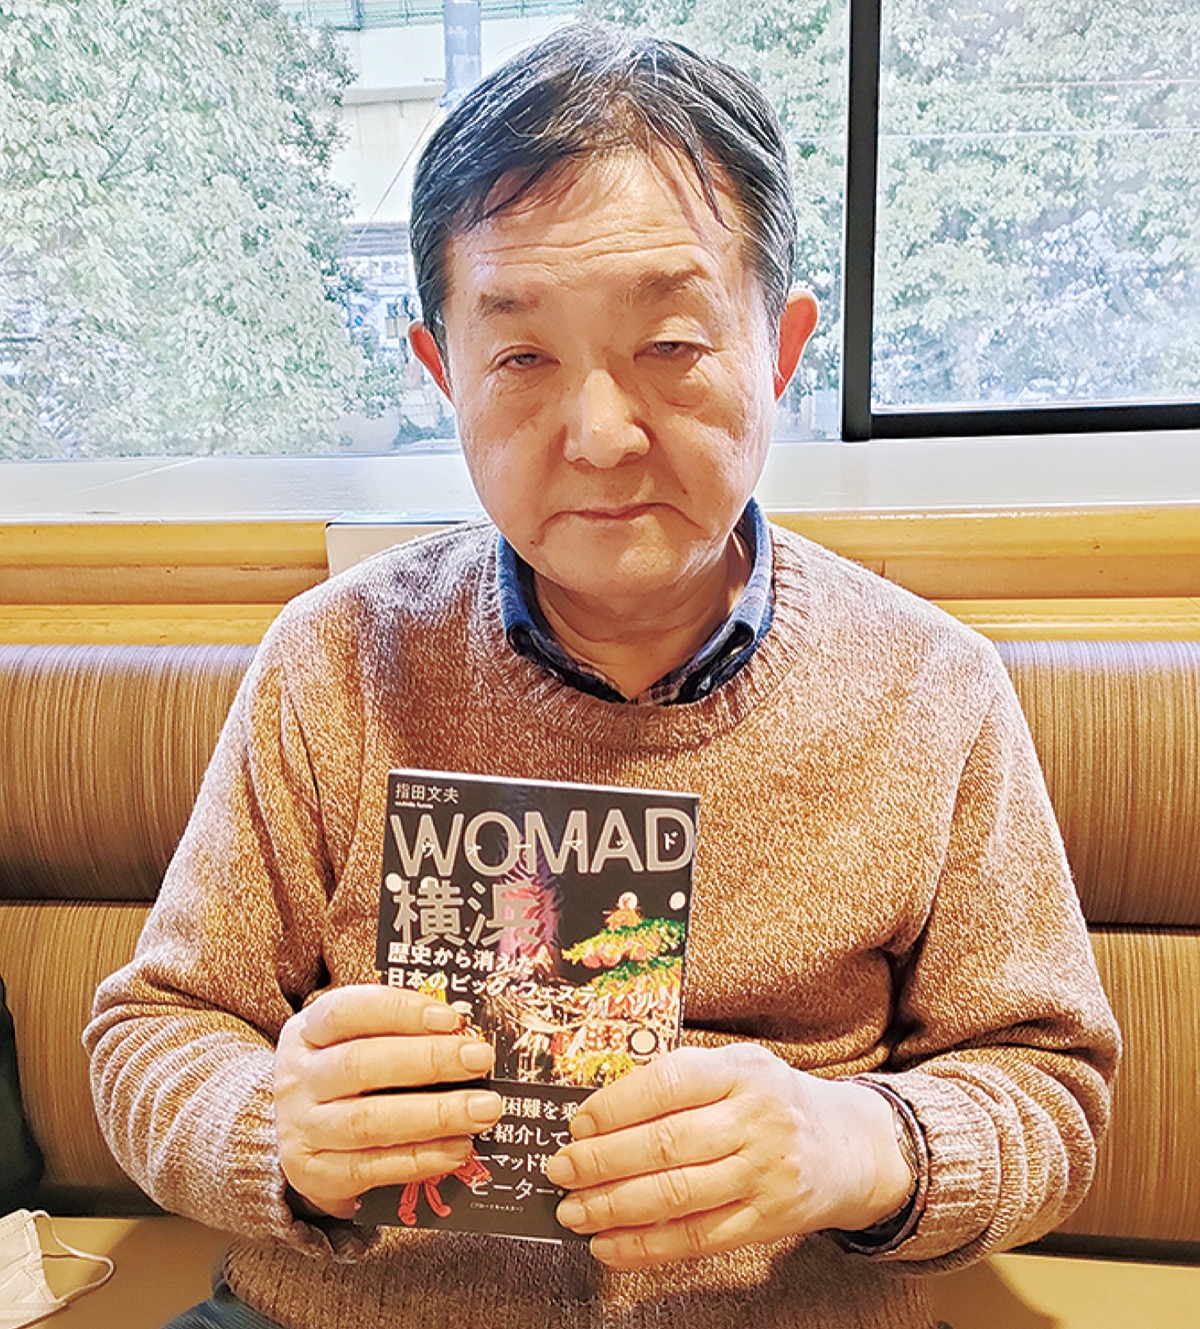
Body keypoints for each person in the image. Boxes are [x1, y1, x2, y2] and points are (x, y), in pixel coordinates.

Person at [85, 23, 1120, 1329]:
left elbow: (1048, 1082)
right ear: (442, 374)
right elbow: (156, 1028)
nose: (600, 433)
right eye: (521, 357)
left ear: (782, 350)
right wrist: (269, 1123)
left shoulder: (933, 690)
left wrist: (861, 1144)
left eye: (671, 345)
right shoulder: (336, 660)